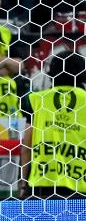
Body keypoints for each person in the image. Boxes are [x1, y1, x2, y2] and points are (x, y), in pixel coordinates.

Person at [20, 50, 86, 199]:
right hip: (80, 187)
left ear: (52, 73)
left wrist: (23, 185)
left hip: (42, 185)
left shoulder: (37, 99)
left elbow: (26, 146)